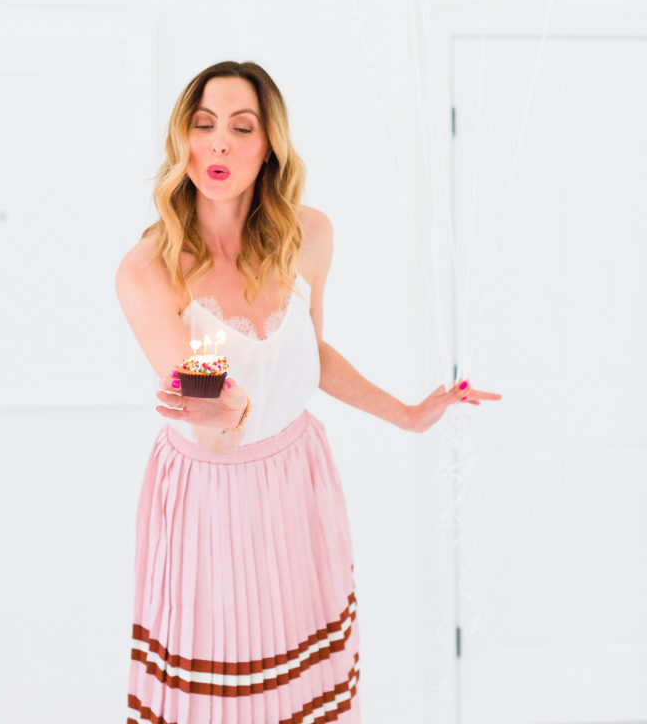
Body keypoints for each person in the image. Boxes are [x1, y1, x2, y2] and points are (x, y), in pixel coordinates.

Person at [115, 60, 500, 724]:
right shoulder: (148, 270)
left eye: (243, 127)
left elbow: (310, 355)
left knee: (298, 677)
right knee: (222, 682)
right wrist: (223, 403)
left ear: (270, 147)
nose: (221, 144)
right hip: (210, 492)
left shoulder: (308, 234)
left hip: (296, 473)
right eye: (204, 125)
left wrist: (410, 415)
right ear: (183, 139)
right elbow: (212, 425)